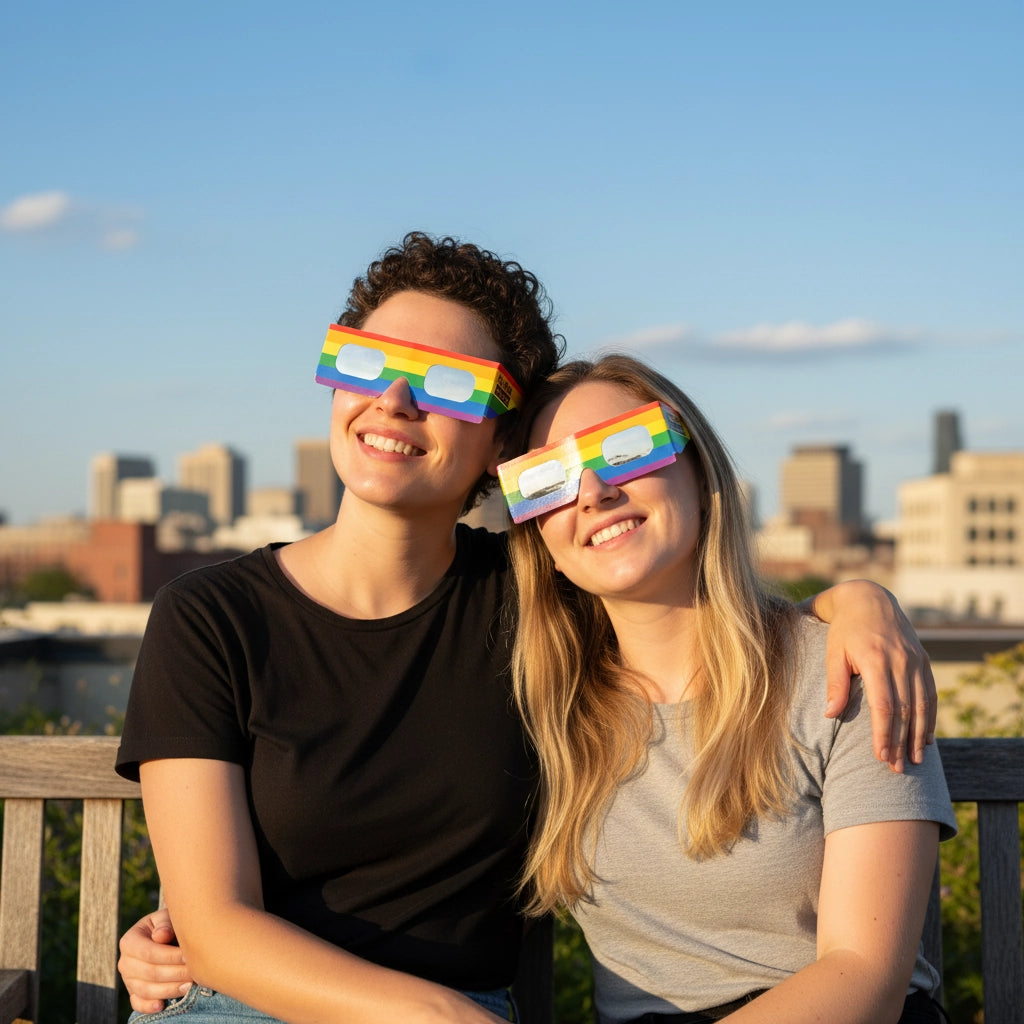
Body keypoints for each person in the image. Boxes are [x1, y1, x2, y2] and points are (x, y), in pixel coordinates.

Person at [115, 233, 938, 1023]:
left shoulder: (533, 606)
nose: (393, 401)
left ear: (497, 451)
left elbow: (694, 605)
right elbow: (216, 926)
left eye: (448, 384)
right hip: (246, 1008)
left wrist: (858, 599)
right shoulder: (210, 617)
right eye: (368, 363)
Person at [498, 354, 956, 1024]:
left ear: (694, 462)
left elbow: (866, 977)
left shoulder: (840, 673)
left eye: (625, 448)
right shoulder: (551, 712)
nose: (592, 489)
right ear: (538, 534)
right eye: (547, 480)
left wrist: (861, 599)